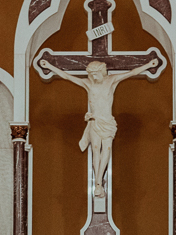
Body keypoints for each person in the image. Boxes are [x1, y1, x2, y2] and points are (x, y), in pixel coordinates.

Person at [37, 58, 159, 198]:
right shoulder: (88, 83)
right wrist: (51, 66)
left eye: (96, 74)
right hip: (94, 122)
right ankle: (98, 184)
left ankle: (99, 182)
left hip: (107, 122)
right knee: (96, 150)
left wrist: (149, 65)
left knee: (106, 150)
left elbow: (131, 73)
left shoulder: (111, 81)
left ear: (103, 72)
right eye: (92, 75)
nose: (94, 77)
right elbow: (67, 76)